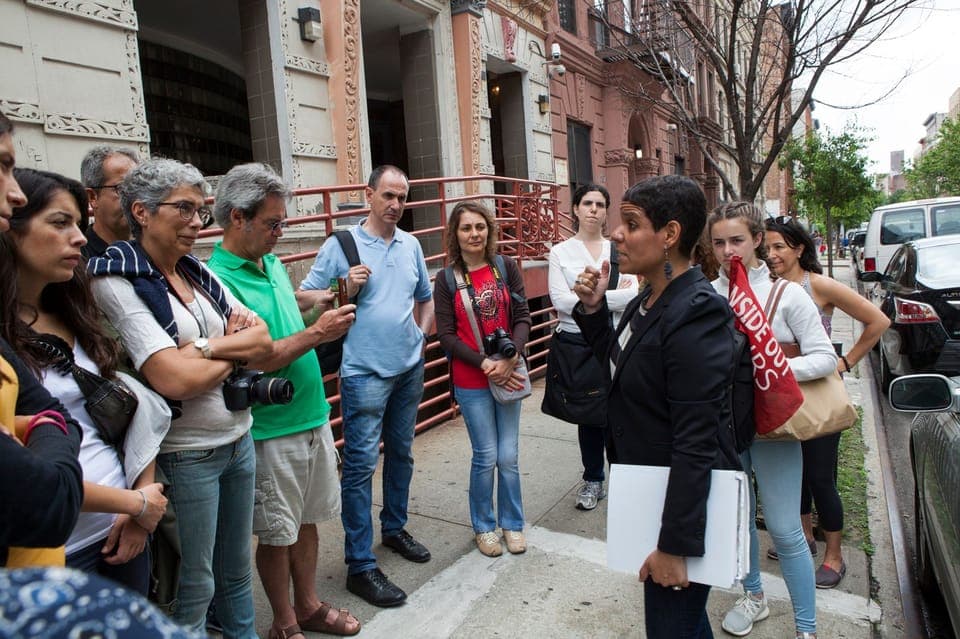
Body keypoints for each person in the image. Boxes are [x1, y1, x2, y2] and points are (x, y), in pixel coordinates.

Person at [87, 158, 272, 638]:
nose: (197, 222)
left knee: (235, 573)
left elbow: (263, 340)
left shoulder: (196, 272)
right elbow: (170, 379)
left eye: (202, 210)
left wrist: (206, 349)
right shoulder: (115, 278)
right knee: (195, 582)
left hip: (238, 437)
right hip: (188, 454)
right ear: (142, 212)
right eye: (185, 209)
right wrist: (232, 351)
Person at [573, 175, 738, 639]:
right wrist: (591, 309)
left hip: (678, 505)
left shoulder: (698, 311)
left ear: (669, 235)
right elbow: (620, 364)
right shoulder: (649, 295)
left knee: (670, 628)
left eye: (630, 223)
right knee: (680, 626)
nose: (615, 235)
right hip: (649, 492)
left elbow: (696, 438)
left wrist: (674, 545)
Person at [207, 163, 360, 638]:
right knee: (277, 532)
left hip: (311, 414)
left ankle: (309, 604)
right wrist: (319, 332)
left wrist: (318, 303)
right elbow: (257, 360)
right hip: (270, 429)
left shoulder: (267, 262)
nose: (281, 232)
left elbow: (286, 305)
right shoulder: (216, 281)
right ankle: (285, 620)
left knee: (308, 521)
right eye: (273, 223)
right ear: (238, 218)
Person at [1, 168, 168, 592]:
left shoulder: (75, 312)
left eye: (78, 223)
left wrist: (140, 508)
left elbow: (133, 406)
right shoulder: (5, 345)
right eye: (59, 223)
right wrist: (137, 503)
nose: (78, 237)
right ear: (11, 230)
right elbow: (26, 470)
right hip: (54, 549)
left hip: (121, 534)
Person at [299, 165, 434, 608]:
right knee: (358, 467)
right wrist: (343, 286)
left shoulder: (411, 244)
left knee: (402, 453)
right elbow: (304, 300)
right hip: (363, 374)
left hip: (408, 368)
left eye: (402, 197)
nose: (395, 205)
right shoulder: (343, 244)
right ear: (368, 194)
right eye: (388, 196)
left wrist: (422, 334)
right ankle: (360, 564)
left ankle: (394, 529)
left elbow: (425, 296)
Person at [709, 202, 837, 639]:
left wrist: (767, 369)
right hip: (724, 426)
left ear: (758, 240)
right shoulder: (708, 294)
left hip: (774, 427)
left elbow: (825, 358)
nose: (729, 250)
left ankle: (806, 627)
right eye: (719, 241)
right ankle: (754, 596)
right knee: (739, 520)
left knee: (785, 530)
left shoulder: (788, 294)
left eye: (737, 240)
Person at [764, 215, 889, 588]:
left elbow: (878, 321)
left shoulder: (817, 285)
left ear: (799, 248)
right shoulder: (767, 287)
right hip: (781, 393)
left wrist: (846, 361)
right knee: (792, 471)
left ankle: (834, 556)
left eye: (779, 247)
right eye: (766, 248)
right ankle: (803, 536)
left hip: (817, 391)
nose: (770, 255)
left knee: (821, 476)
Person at [434, 201, 532, 557]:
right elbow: (445, 335)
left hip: (509, 370)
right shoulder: (446, 280)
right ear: (455, 235)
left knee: (509, 455)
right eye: (466, 228)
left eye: (480, 227)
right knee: (486, 454)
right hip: (472, 378)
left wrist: (512, 356)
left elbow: (523, 316)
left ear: (489, 230)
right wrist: (484, 363)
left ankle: (513, 523)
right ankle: (484, 526)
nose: (474, 234)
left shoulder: (505, 267)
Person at [546, 183, 637, 510]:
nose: (593, 209)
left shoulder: (619, 248)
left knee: (620, 414)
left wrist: (590, 298)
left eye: (600, 203)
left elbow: (634, 295)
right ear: (575, 208)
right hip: (577, 342)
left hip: (617, 340)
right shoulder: (560, 252)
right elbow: (560, 301)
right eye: (587, 203)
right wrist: (604, 301)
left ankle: (624, 479)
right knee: (589, 415)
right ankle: (593, 479)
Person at [79, 145, 139, 258]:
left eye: (139, 187)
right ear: (92, 197)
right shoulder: (78, 258)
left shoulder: (154, 249)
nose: (135, 198)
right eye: (122, 189)